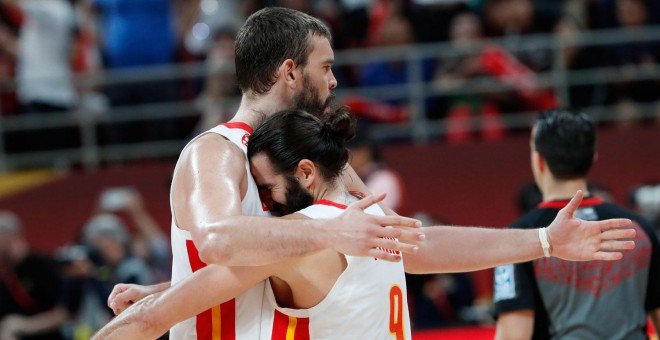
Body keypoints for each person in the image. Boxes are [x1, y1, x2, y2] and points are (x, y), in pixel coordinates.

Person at [94, 104, 636, 339]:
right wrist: (543, 240)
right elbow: (437, 245)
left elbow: (150, 324)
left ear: (305, 171)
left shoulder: (304, 239)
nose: (262, 202)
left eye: (265, 188)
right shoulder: (374, 220)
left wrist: (151, 305)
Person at [106, 7, 425, 339]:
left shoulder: (314, 159)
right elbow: (219, 244)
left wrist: (167, 289)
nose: (333, 81)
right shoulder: (217, 150)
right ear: (290, 72)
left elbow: (262, 269)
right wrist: (330, 231)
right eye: (326, 67)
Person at [493, 108, 660, 339]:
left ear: (539, 161)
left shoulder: (517, 239)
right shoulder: (639, 229)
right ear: (593, 158)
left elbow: (514, 335)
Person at [0, 211, 69, 340]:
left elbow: (63, 314)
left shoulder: (41, 266)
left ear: (9, 237)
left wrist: (24, 325)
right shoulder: (7, 276)